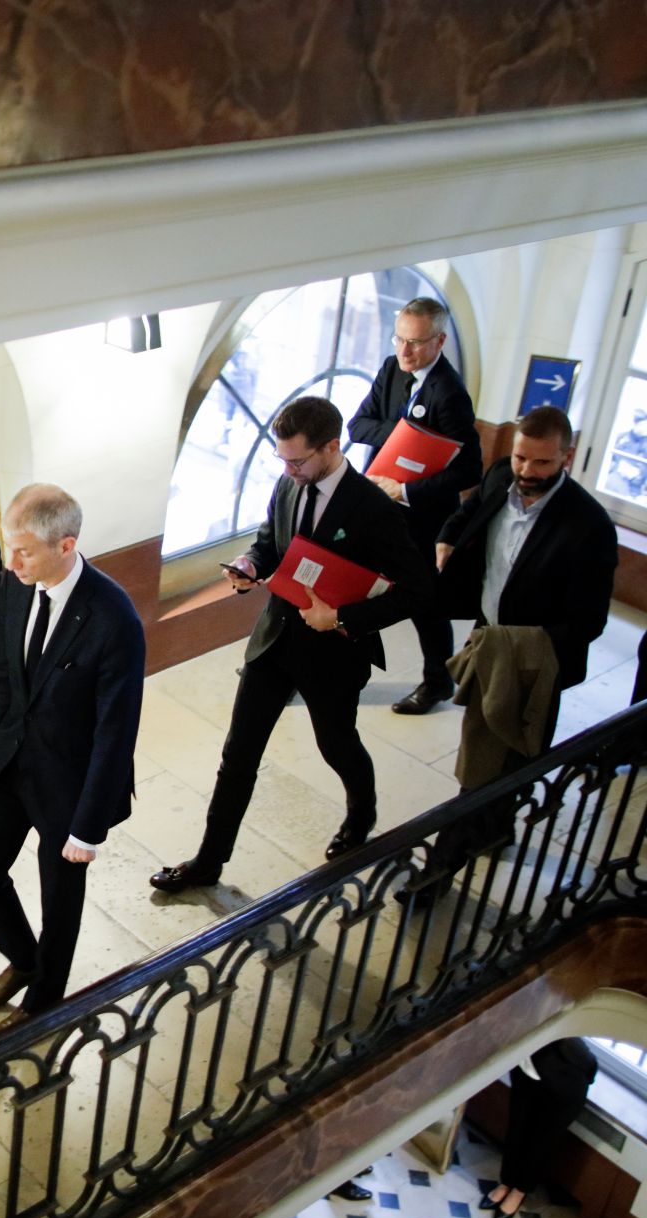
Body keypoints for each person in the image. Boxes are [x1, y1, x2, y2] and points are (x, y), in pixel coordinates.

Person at [151, 396, 431, 891]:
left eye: (297, 459)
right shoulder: (287, 484)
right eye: (282, 459)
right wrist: (251, 565)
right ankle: (209, 862)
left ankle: (360, 816)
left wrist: (341, 616)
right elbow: (270, 541)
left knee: (337, 744)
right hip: (275, 640)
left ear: (331, 446)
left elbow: (417, 589)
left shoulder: (372, 508)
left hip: (333, 654)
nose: (288, 468)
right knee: (238, 754)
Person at [0, 484, 144, 1032]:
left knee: (59, 899)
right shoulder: (16, 584)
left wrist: (88, 828)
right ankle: (25, 960)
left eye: (25, 552)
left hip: (71, 779)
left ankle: (44, 1000)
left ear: (66, 547)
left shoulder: (115, 620)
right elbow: (7, 672)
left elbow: (116, 731)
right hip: (12, 757)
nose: (11, 563)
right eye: (8, 547)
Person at [414, 407, 617, 880]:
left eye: (542, 464)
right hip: (489, 640)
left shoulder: (589, 527)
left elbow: (589, 622)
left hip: (534, 663)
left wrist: (514, 647)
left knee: (509, 759)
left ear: (567, 458)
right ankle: (491, 831)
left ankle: (438, 871)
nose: (527, 472)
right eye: (522, 458)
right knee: (486, 760)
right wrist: (447, 537)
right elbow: (469, 511)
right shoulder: (501, 475)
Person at [347, 296, 482, 715]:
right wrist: (407, 436)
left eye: (416, 343)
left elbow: (470, 469)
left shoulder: (450, 394)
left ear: (440, 341)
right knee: (347, 577)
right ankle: (320, 665)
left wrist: (406, 491)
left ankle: (437, 682)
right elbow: (357, 426)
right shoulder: (392, 369)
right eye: (399, 339)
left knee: (425, 602)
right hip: (373, 500)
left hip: (421, 515)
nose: (405, 351)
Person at [483, 1038, 597, 1218]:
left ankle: (520, 1191)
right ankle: (506, 1182)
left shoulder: (562, 1053)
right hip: (526, 1073)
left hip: (565, 1090)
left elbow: (587, 1069)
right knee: (516, 1130)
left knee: (540, 1143)